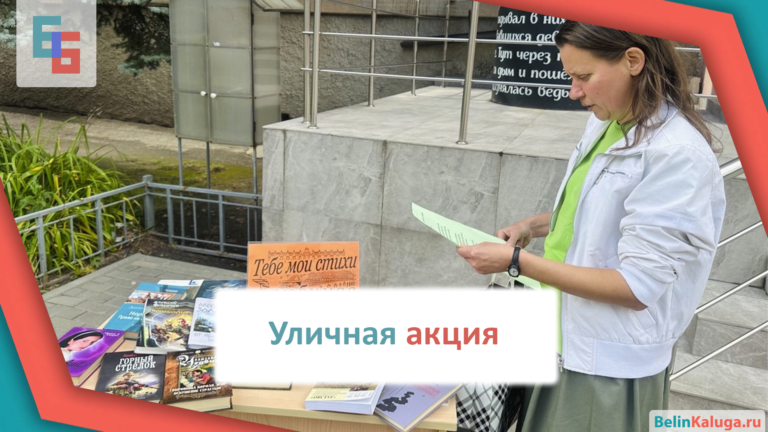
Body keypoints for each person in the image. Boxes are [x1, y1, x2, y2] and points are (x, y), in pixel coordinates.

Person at [456, 21, 725, 432]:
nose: (573, 91)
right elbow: (601, 215)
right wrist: (535, 225)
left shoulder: (677, 154)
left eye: (583, 76)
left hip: (602, 369)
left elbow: (637, 287)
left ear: (633, 60)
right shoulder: (608, 123)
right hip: (561, 341)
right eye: (570, 76)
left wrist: (515, 262)